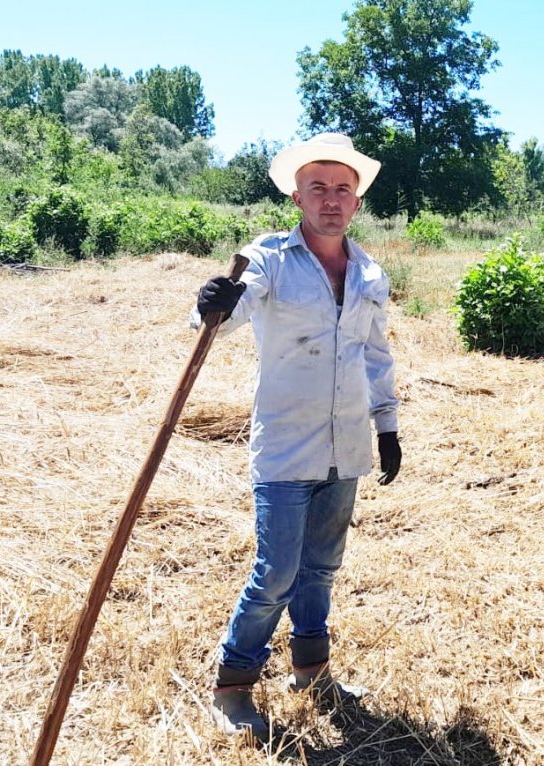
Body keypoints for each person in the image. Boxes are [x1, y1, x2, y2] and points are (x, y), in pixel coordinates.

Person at [192, 132, 402, 741]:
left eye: (343, 188)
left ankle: (311, 671)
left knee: (322, 568)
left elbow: (375, 353)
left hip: (347, 445)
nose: (331, 199)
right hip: (286, 445)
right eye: (319, 187)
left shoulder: (369, 270)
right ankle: (233, 686)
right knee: (276, 572)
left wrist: (387, 426)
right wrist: (214, 303)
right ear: (297, 195)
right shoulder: (269, 260)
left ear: (356, 200)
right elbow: (225, 318)